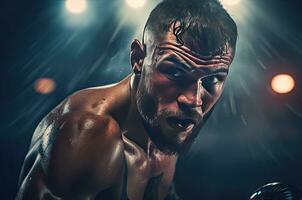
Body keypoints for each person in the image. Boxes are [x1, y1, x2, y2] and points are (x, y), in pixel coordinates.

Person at [16, 0, 238, 199]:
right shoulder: (88, 135)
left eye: (212, 80)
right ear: (138, 59)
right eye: (176, 73)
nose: (193, 99)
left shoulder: (164, 127)